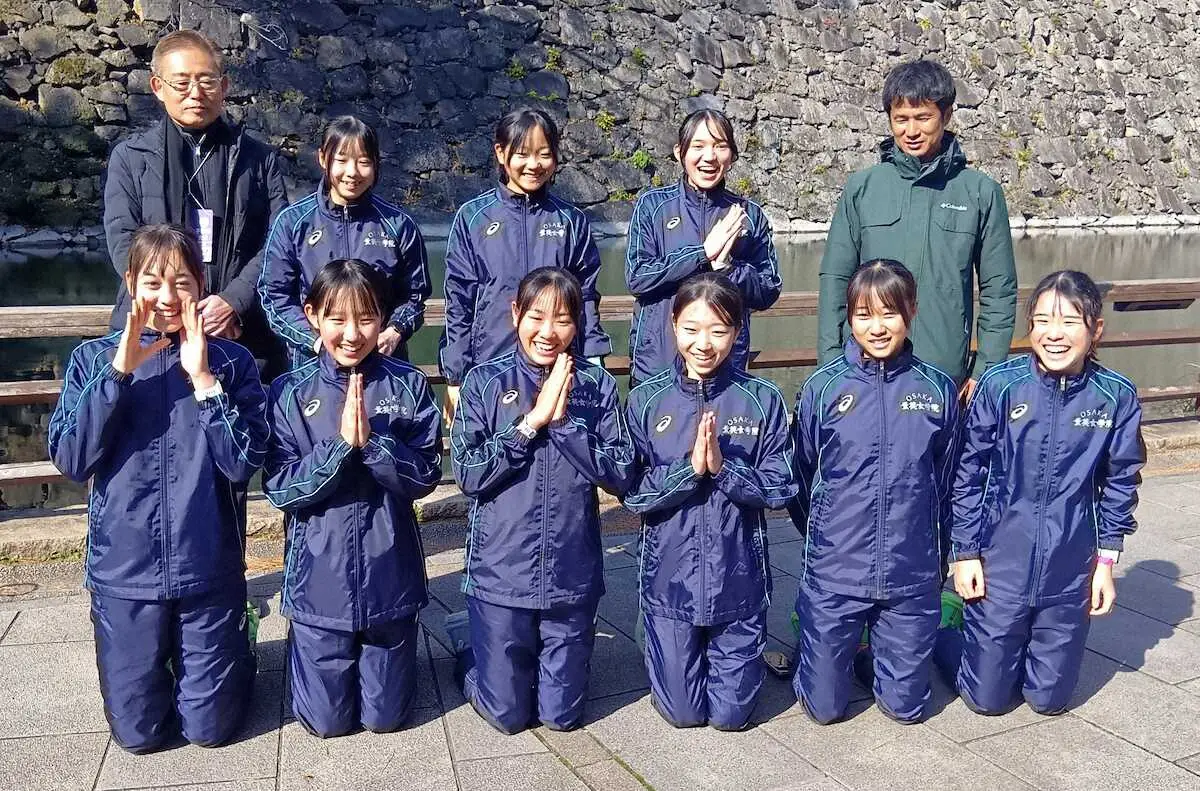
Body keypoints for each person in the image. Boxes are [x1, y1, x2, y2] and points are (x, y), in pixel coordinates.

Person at [47, 224, 267, 753]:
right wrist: (118, 374)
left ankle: (238, 645)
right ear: (131, 284)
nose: (167, 298)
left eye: (182, 283)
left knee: (211, 731)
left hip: (206, 568)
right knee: (138, 737)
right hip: (126, 572)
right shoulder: (92, 360)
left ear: (200, 286)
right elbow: (72, 460)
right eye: (153, 282)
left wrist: (204, 380)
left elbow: (243, 464)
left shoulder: (232, 362)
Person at [938, 270, 1144, 716]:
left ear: (1095, 329)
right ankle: (945, 630)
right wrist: (965, 554)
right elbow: (967, 473)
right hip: (1000, 564)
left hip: (1069, 569)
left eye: (1069, 321)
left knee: (1048, 701)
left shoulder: (1115, 397)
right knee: (986, 701)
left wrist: (1105, 563)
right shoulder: (1000, 385)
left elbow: (1121, 481)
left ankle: (1026, 647)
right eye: (1043, 320)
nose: (1054, 334)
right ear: (1029, 325)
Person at [450, 267, 634, 734]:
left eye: (563, 320)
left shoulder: (596, 386)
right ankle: (471, 651)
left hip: (571, 575)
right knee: (508, 717)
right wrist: (530, 423)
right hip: (501, 574)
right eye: (536, 316)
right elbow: (468, 474)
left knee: (561, 718)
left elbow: (621, 473)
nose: (548, 332)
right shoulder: (485, 382)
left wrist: (565, 424)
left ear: (577, 324)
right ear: (516, 314)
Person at [263, 258, 442, 737]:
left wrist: (375, 446)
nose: (351, 333)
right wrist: (340, 448)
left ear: (382, 317)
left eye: (365, 318)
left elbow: (426, 474)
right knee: (327, 724)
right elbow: (280, 487)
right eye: (337, 318)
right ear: (312, 315)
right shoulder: (289, 392)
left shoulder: (407, 384)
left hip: (390, 580)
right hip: (318, 583)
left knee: (386, 720)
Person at [623, 272, 796, 731]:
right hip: (670, 585)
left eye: (718, 330)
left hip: (738, 583)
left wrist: (723, 470)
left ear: (737, 332)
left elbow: (781, 485)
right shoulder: (645, 400)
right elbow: (632, 492)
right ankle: (659, 635)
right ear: (673, 325)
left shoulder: (761, 400)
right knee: (683, 715)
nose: (704, 344)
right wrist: (689, 471)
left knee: (729, 718)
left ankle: (732, 655)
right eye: (691, 329)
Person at [789, 260, 959, 724]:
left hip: (910, 572)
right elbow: (800, 477)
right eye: (864, 315)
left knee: (906, 709)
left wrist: (944, 555)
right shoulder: (823, 389)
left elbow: (949, 483)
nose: (877, 327)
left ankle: (870, 658)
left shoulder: (937, 389)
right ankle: (819, 650)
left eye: (890, 313)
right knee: (823, 710)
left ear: (912, 311)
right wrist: (825, 538)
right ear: (849, 316)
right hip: (836, 570)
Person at [816, 59, 1017, 396]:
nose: (911, 131)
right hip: (864, 371)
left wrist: (986, 370)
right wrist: (831, 363)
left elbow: (999, 289)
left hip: (944, 374)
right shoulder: (862, 188)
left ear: (946, 115)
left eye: (923, 118)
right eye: (901, 119)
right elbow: (836, 280)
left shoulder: (980, 193)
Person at [104, 29, 289, 377]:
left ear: (224, 86)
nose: (195, 93)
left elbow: (279, 241)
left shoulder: (258, 160)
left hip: (239, 333)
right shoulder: (130, 158)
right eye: (181, 83)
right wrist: (174, 306)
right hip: (153, 331)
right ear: (158, 87)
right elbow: (123, 243)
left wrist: (234, 301)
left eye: (206, 81)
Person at [439, 108, 611, 420]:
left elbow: (585, 296)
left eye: (544, 154)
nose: (534, 165)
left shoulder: (570, 220)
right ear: (500, 153)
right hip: (490, 366)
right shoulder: (474, 218)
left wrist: (594, 357)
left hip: (557, 365)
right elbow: (459, 302)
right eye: (522, 154)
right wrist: (455, 375)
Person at [625, 109, 782, 386]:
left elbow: (768, 290)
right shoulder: (653, 206)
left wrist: (728, 269)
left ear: (732, 155)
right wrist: (702, 253)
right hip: (657, 365)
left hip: (725, 366)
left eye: (720, 146)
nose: (709, 157)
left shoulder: (748, 215)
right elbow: (637, 276)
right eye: (698, 146)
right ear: (680, 152)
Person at [259, 116, 430, 368]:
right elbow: (274, 296)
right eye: (341, 160)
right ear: (322, 158)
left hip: (382, 363)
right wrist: (315, 341)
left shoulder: (399, 225)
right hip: (313, 365)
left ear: (376, 164)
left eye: (363, 162)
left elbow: (415, 295)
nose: (352, 172)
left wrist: (395, 330)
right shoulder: (293, 223)